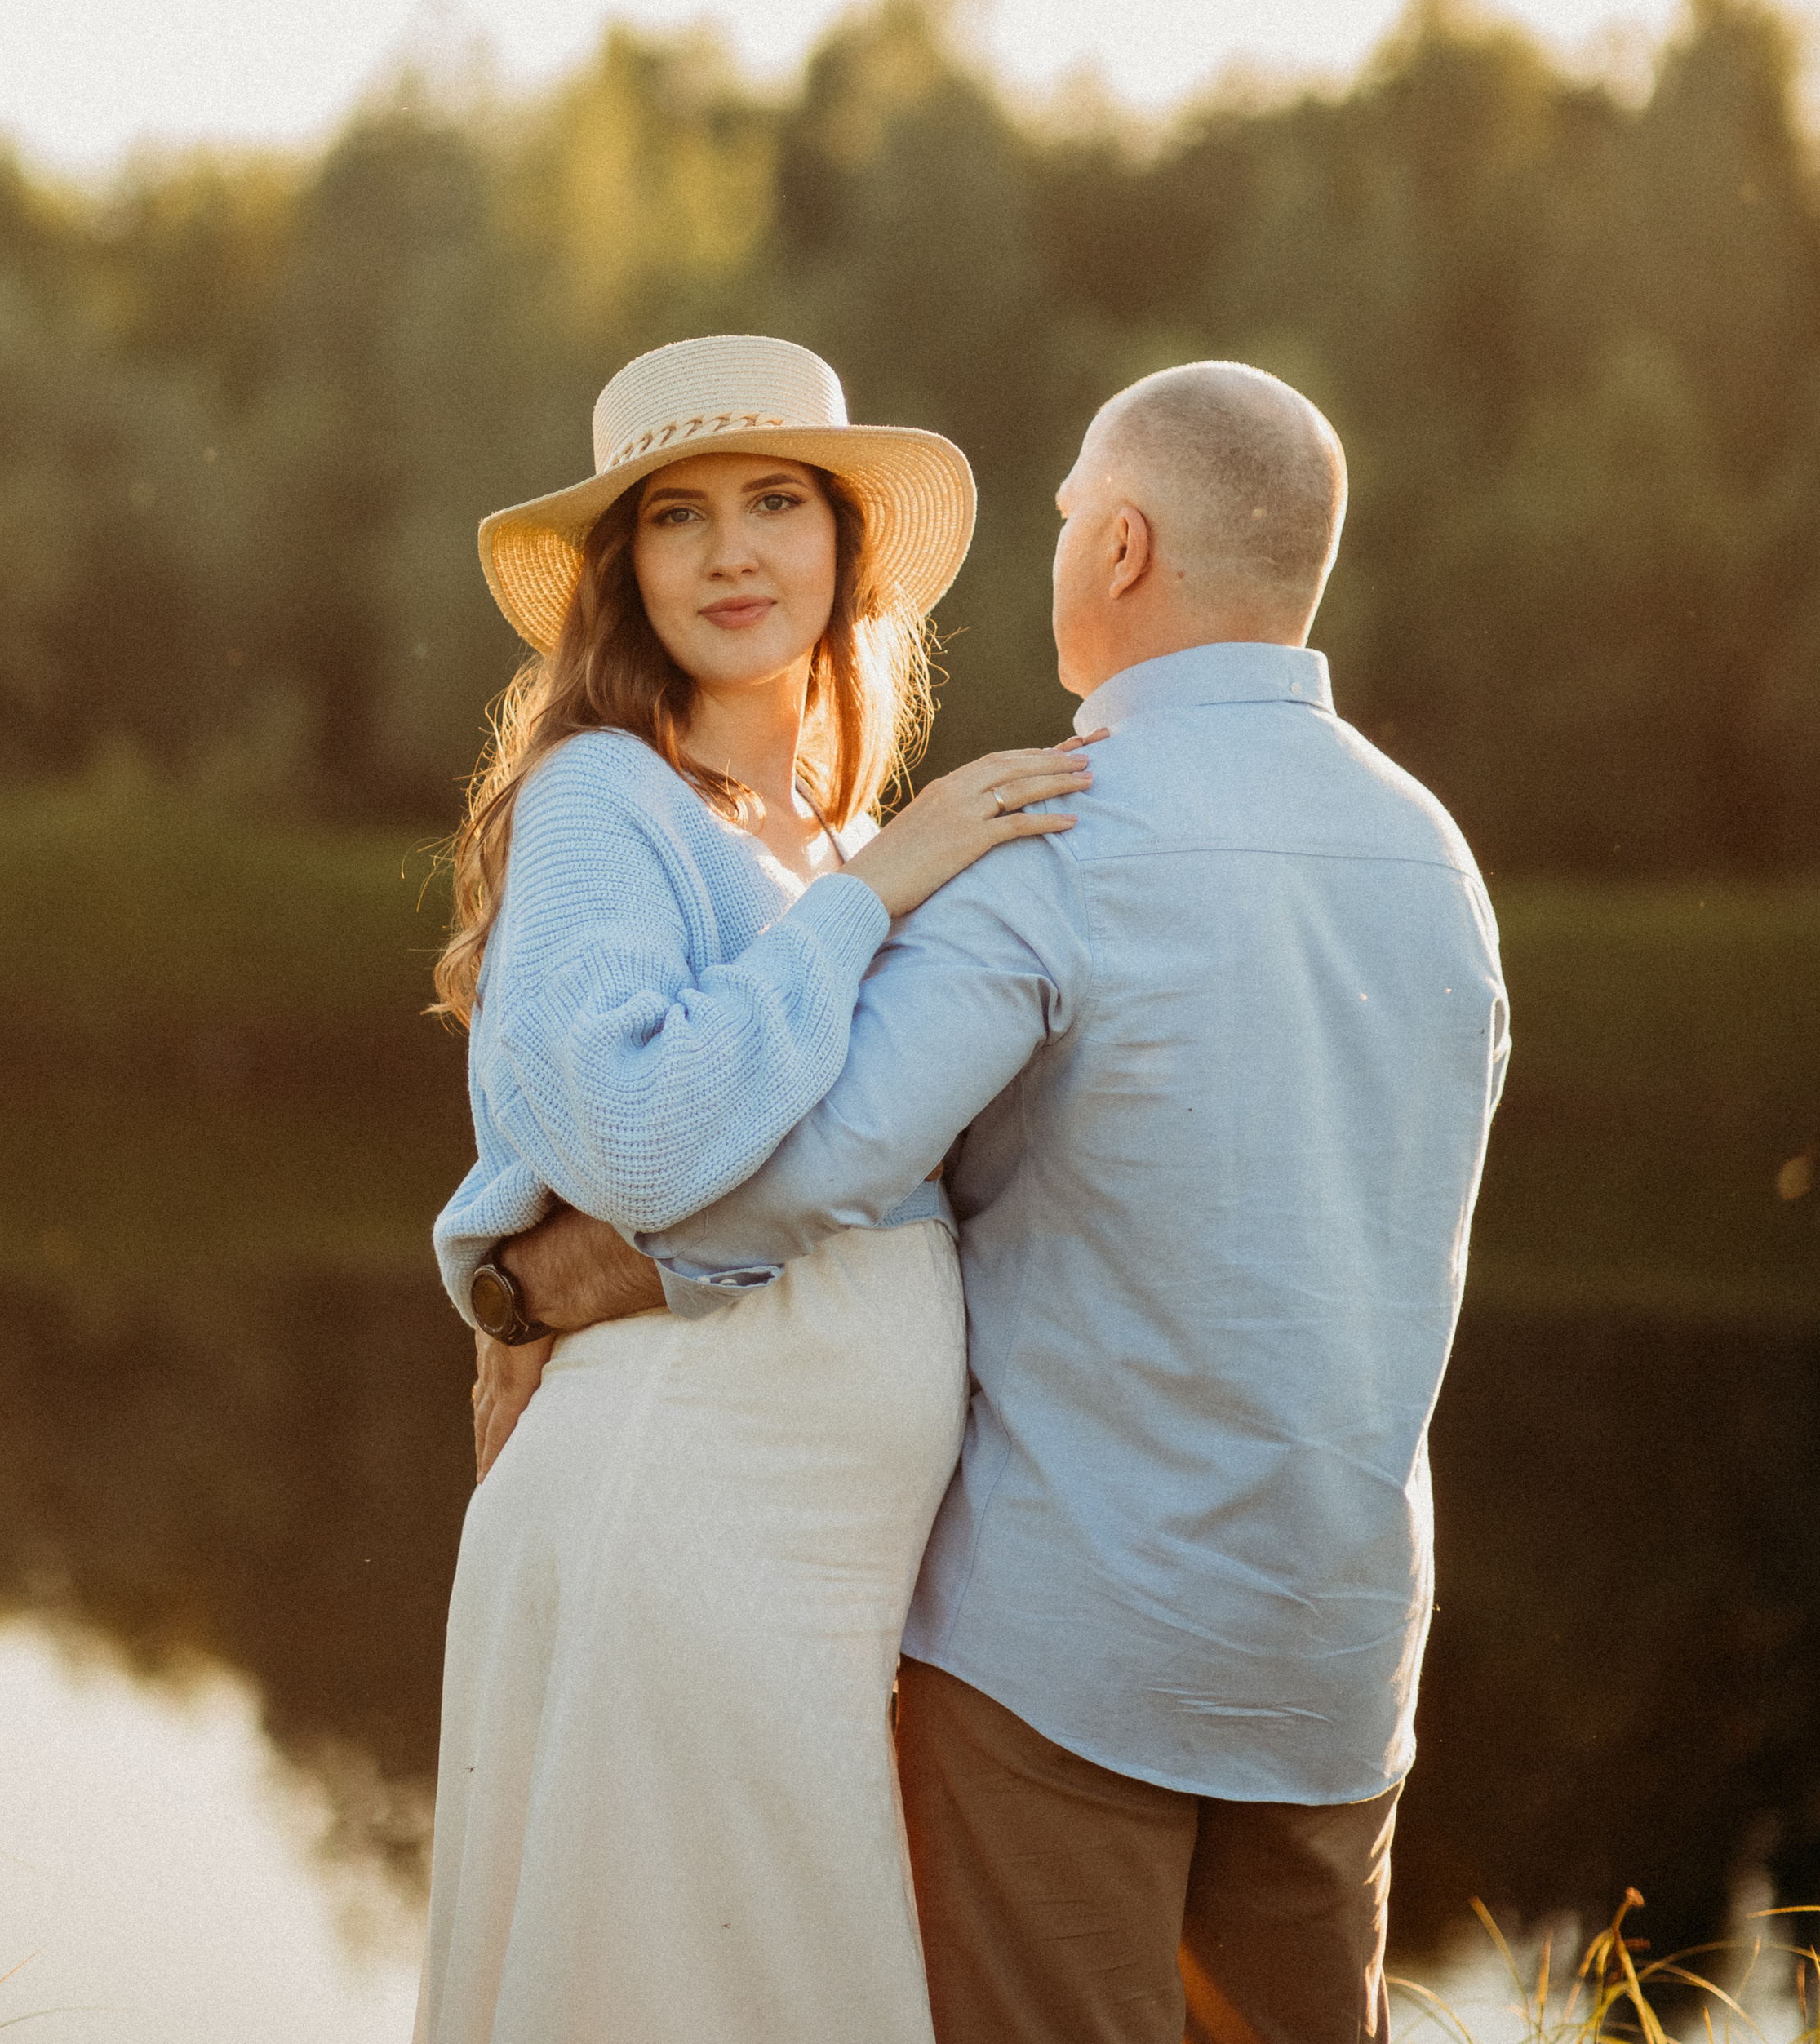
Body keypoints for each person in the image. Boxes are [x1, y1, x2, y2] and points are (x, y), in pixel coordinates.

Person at [483, 360, 1511, 2044]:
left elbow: (795, 1173)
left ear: (1115, 549)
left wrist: (532, 1285)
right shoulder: (1432, 860)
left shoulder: (1053, 835)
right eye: (678, 516)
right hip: (1333, 1655)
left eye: (1056, 527)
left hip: (1068, 1650)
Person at [411, 331, 1096, 2044]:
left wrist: (881, 871)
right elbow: (635, 1137)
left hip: (815, 1557)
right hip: (676, 1507)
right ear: (622, 572)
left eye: (776, 503)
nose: (731, 554)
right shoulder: (607, 803)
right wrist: (886, 896)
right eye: (678, 517)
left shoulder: (839, 842)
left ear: (842, 547)